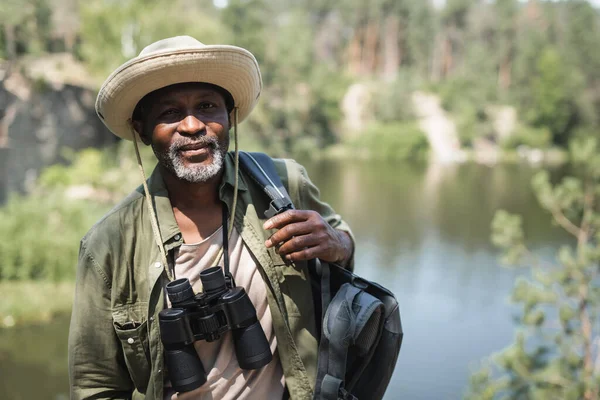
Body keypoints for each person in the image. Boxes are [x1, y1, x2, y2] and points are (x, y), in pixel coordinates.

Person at [68, 36, 354, 400]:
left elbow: (342, 242)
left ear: (229, 117)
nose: (192, 126)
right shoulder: (109, 244)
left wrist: (336, 243)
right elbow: (96, 386)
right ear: (141, 130)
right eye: (170, 113)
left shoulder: (282, 185)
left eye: (207, 106)